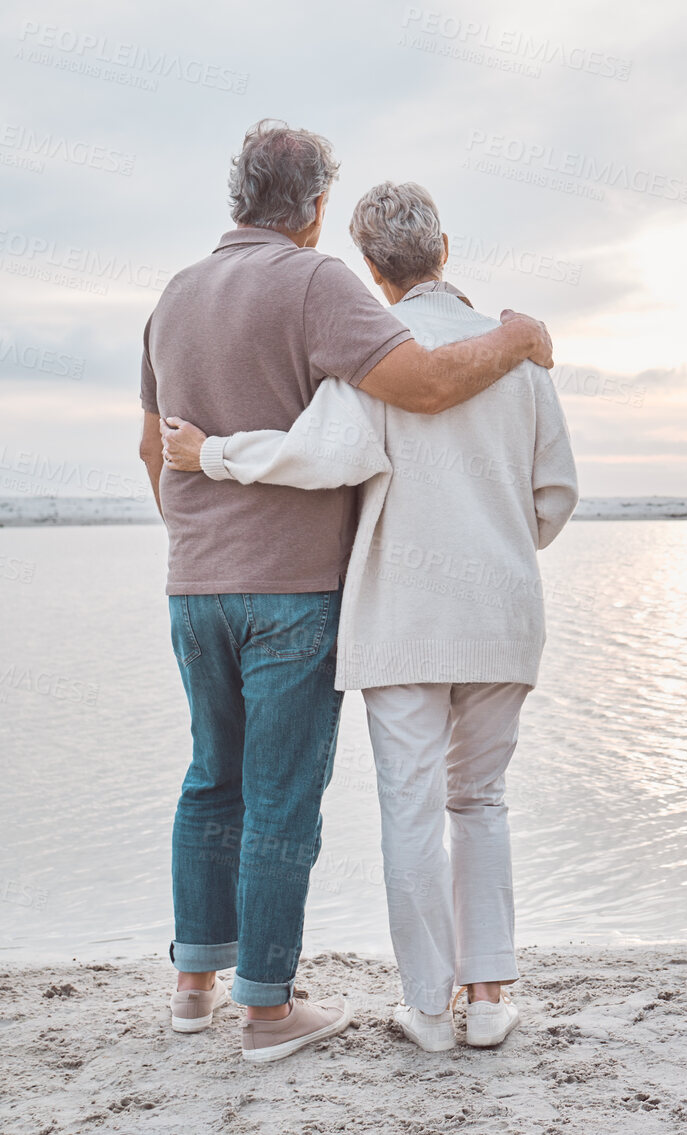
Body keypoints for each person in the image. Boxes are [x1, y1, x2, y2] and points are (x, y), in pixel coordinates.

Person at [139, 120, 556, 1064]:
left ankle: (205, 987)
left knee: (216, 780)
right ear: (318, 208)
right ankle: (321, 1007)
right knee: (335, 797)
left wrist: (201, 521)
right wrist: (518, 339)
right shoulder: (327, 292)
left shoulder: (172, 296)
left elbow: (164, 447)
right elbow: (434, 396)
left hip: (215, 586)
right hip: (338, 594)